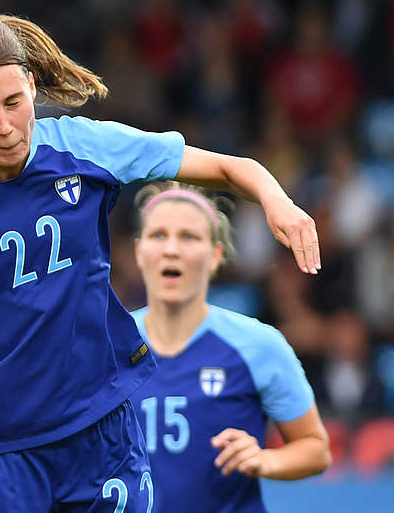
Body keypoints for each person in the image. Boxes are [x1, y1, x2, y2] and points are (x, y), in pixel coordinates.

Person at [0, 11, 320, 512]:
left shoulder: (84, 146)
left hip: (101, 432)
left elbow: (225, 166)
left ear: (29, 84)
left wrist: (274, 197)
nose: (5, 127)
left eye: (13, 103)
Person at [128, 181, 330, 512]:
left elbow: (316, 449)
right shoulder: (105, 344)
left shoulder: (260, 345)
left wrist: (264, 460)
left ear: (215, 255)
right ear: (139, 251)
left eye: (189, 237)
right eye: (158, 235)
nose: (172, 250)